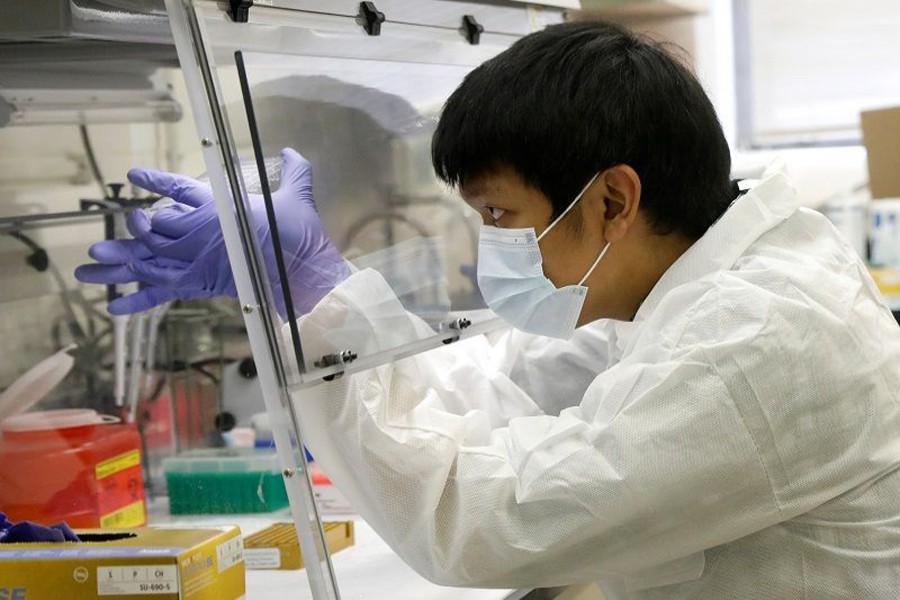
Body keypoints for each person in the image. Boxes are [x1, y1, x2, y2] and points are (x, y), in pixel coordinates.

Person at [75, 20, 900, 599]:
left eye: (501, 217)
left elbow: (483, 523)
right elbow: (501, 384)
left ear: (614, 198)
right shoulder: (701, 283)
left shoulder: (755, 340)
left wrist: (319, 296)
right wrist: (319, 301)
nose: (489, 248)